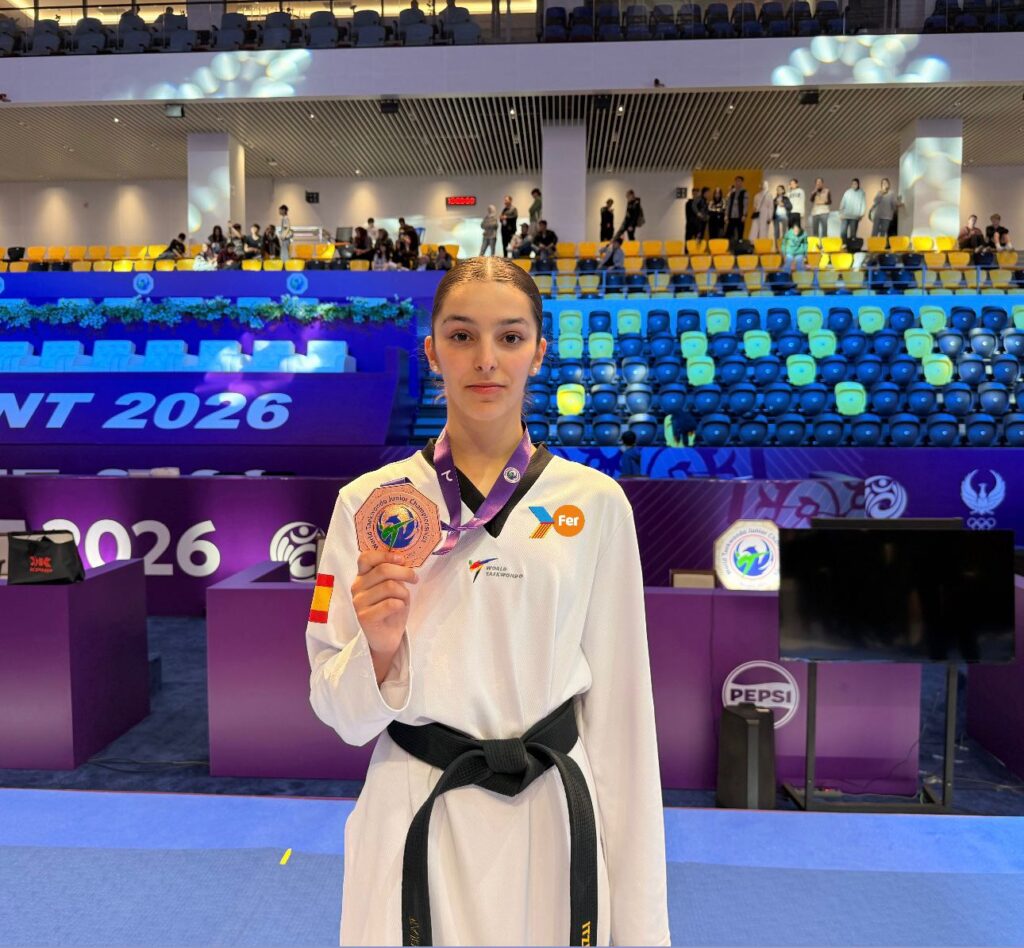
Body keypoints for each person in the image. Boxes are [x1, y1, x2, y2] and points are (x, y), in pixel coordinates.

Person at [305, 256, 670, 946]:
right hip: (415, 806)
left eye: (509, 337)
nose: (485, 359)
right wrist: (377, 650)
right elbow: (339, 714)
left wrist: (643, 927)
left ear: (539, 351)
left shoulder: (596, 504)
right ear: (432, 352)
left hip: (552, 815)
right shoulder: (370, 504)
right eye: (462, 335)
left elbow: (623, 720)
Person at [838, 178, 866, 246]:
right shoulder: (847, 192)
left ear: (858, 184)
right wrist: (840, 213)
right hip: (845, 215)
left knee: (853, 233)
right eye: (853, 184)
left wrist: (862, 214)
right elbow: (843, 202)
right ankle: (844, 245)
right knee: (843, 232)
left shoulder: (861, 193)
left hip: (855, 216)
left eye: (855, 184)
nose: (854, 185)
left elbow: (863, 204)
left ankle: (851, 246)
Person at [724, 176, 748, 245]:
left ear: (742, 182)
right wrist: (726, 215)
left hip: (740, 216)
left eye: (739, 181)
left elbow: (745, 204)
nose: (737, 183)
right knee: (728, 233)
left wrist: (744, 215)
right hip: (731, 216)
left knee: (740, 233)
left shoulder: (744, 192)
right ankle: (728, 246)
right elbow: (728, 204)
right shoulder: (732, 192)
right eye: (736, 181)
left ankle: (739, 247)